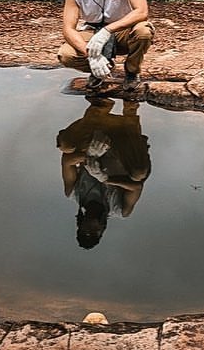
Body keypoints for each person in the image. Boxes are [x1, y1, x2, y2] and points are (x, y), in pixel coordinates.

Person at [56, 98, 151, 249]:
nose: (91, 227)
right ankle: (130, 108)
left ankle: (100, 104)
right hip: (122, 146)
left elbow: (66, 161)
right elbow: (136, 187)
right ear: (102, 229)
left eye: (86, 230)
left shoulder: (73, 192)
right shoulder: (120, 210)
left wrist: (90, 155)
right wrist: (107, 179)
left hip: (97, 139)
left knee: (66, 146)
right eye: (94, 231)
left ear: (80, 224)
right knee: (139, 173)